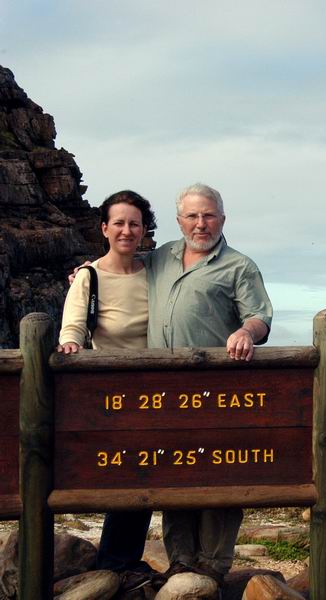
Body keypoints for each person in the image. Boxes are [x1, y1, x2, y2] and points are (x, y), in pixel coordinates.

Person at [145, 183, 272, 585]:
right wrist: (86, 274)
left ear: (222, 218)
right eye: (192, 216)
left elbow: (260, 317)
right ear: (179, 219)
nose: (201, 224)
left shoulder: (239, 265)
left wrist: (246, 332)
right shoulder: (159, 257)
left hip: (218, 392)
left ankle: (214, 566)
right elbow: (118, 269)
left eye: (209, 215)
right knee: (173, 471)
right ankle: (181, 561)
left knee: (220, 473)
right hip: (162, 393)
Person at [58, 190, 159, 592]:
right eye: (118, 222)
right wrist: (70, 346)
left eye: (134, 223)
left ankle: (122, 563)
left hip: (159, 391)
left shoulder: (156, 270)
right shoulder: (89, 276)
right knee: (128, 472)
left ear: (144, 230)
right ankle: (116, 564)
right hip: (113, 395)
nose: (126, 230)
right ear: (104, 228)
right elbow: (73, 325)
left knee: (150, 472)